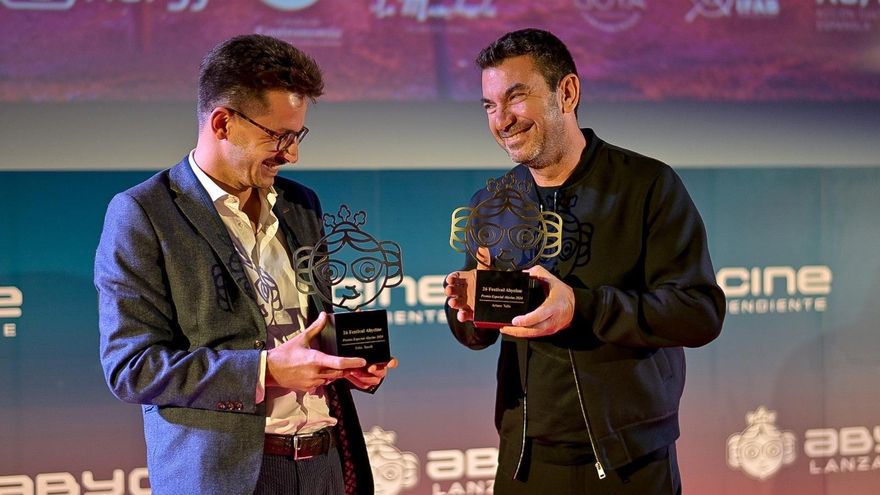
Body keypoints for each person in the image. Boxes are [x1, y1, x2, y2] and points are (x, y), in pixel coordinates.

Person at [96, 34, 395, 495]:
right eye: (278, 136)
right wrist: (267, 371)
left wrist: (345, 362)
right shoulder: (144, 213)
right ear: (222, 122)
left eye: (298, 136)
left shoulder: (301, 203)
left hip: (326, 465)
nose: (292, 154)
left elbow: (312, 328)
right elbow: (132, 367)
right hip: (227, 477)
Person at [444, 29, 725, 494]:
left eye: (515, 99)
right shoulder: (494, 202)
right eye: (489, 106)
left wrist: (582, 307)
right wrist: (468, 311)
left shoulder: (647, 185)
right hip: (525, 462)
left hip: (629, 463)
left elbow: (699, 312)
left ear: (567, 92)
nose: (501, 121)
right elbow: (474, 334)